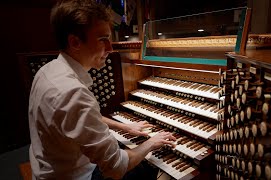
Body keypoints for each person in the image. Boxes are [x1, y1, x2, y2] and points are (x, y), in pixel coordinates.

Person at [28, 0, 176, 179]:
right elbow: (116, 168)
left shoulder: (48, 71)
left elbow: (79, 117)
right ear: (75, 42)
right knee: (159, 169)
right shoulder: (72, 92)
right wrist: (151, 143)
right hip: (76, 175)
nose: (110, 48)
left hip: (48, 167)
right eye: (103, 39)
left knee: (127, 147)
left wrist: (124, 126)